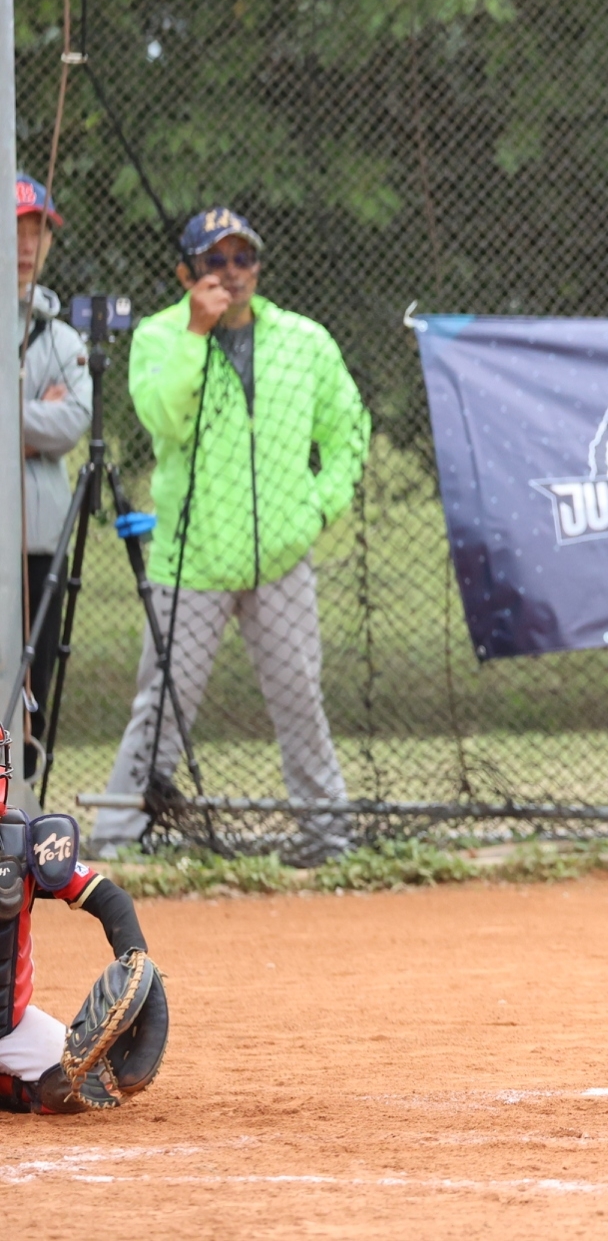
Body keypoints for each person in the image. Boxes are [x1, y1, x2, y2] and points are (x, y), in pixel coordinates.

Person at [88, 207, 369, 865]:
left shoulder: (304, 340)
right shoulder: (160, 337)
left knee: (300, 699)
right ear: (186, 274)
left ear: (258, 267)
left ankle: (328, 838)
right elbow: (165, 419)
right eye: (215, 260)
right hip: (193, 560)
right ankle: (119, 841)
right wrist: (196, 331)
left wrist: (317, 509)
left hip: (281, 558)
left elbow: (349, 429)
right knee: (162, 705)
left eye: (243, 258)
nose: (232, 272)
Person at [14, 177, 91, 799]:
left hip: (40, 540)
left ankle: (23, 811)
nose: (25, 244)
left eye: (37, 230)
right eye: (14, 228)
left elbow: (72, 423)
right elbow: (48, 423)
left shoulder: (63, 338)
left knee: (34, 679)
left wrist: (13, 424)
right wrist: (32, 417)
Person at [0, 807, 155, 1114]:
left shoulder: (25, 842)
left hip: (8, 1028)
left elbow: (109, 898)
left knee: (79, 1084)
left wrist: (133, 956)